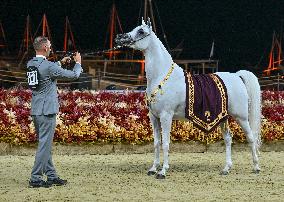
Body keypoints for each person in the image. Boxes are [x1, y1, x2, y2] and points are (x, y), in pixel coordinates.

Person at [27, 36, 82, 188]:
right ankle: (35, 178)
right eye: (49, 46)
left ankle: (51, 175)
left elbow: (45, 70)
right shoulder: (48, 66)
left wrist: (59, 63)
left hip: (37, 110)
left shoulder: (31, 63)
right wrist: (78, 63)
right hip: (47, 111)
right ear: (45, 48)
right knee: (44, 145)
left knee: (45, 145)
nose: (51, 48)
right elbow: (74, 75)